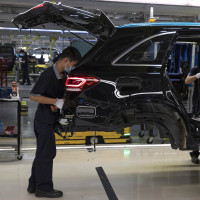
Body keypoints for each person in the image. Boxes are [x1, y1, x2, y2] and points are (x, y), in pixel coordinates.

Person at [27, 47, 81, 198]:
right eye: (73, 64)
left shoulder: (63, 75)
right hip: (43, 119)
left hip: (50, 119)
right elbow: (33, 96)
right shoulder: (48, 75)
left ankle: (33, 184)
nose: (73, 67)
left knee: (42, 153)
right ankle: (43, 188)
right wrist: (55, 101)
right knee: (47, 153)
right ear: (66, 61)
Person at [185, 66, 200, 164]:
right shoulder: (196, 69)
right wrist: (197, 76)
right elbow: (187, 81)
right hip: (198, 104)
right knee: (197, 128)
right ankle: (195, 154)